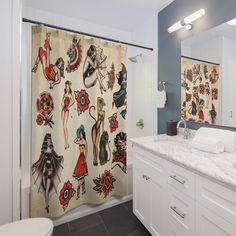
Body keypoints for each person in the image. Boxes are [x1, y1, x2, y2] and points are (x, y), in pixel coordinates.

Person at [32, 133, 64, 213]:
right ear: (46, 141)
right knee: (46, 188)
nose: (49, 141)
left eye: (50, 139)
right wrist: (35, 164)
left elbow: (56, 156)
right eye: (48, 139)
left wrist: (60, 157)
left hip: (50, 170)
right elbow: (40, 159)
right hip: (44, 170)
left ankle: (47, 205)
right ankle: (46, 205)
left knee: (47, 190)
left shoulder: (52, 149)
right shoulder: (44, 149)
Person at [73, 125, 88, 199]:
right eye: (80, 134)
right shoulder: (80, 141)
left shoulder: (84, 141)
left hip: (82, 158)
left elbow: (87, 150)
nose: (81, 135)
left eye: (82, 134)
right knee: (80, 175)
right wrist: (77, 136)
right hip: (80, 158)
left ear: (83, 134)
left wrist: (85, 159)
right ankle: (83, 190)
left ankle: (80, 192)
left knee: (81, 175)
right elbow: (74, 141)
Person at [61, 80, 75, 149]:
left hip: (67, 110)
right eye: (66, 87)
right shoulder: (64, 94)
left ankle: (67, 143)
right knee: (63, 128)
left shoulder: (70, 95)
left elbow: (73, 101)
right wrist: (62, 103)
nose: (67, 88)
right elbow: (61, 102)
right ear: (65, 87)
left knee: (64, 126)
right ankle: (66, 143)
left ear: (69, 88)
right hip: (63, 109)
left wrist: (69, 106)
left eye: (68, 87)